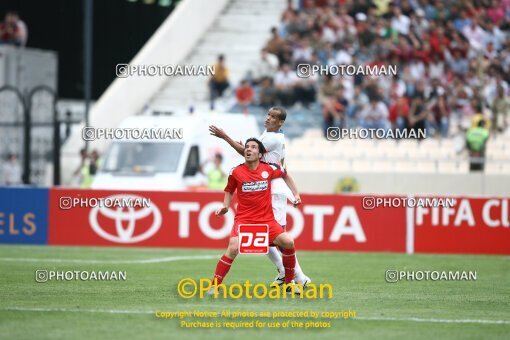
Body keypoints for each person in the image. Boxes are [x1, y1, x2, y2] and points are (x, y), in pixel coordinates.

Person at [209, 106, 311, 287]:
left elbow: (250, 154)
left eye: (273, 117)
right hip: (267, 186)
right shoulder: (270, 134)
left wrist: (226, 137)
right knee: (262, 236)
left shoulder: (272, 138)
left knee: (279, 239)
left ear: (280, 122)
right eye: (268, 115)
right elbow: (253, 153)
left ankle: (299, 278)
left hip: (273, 187)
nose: (268, 118)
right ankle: (284, 272)